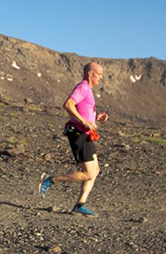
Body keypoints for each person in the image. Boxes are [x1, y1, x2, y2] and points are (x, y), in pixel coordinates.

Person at [39, 62, 109, 217]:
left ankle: (80, 205)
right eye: (99, 75)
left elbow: (82, 111)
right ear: (90, 74)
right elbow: (68, 104)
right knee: (88, 173)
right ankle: (51, 180)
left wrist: (95, 118)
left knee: (95, 170)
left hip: (86, 134)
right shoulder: (83, 87)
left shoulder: (88, 90)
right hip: (78, 134)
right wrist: (84, 122)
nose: (101, 78)